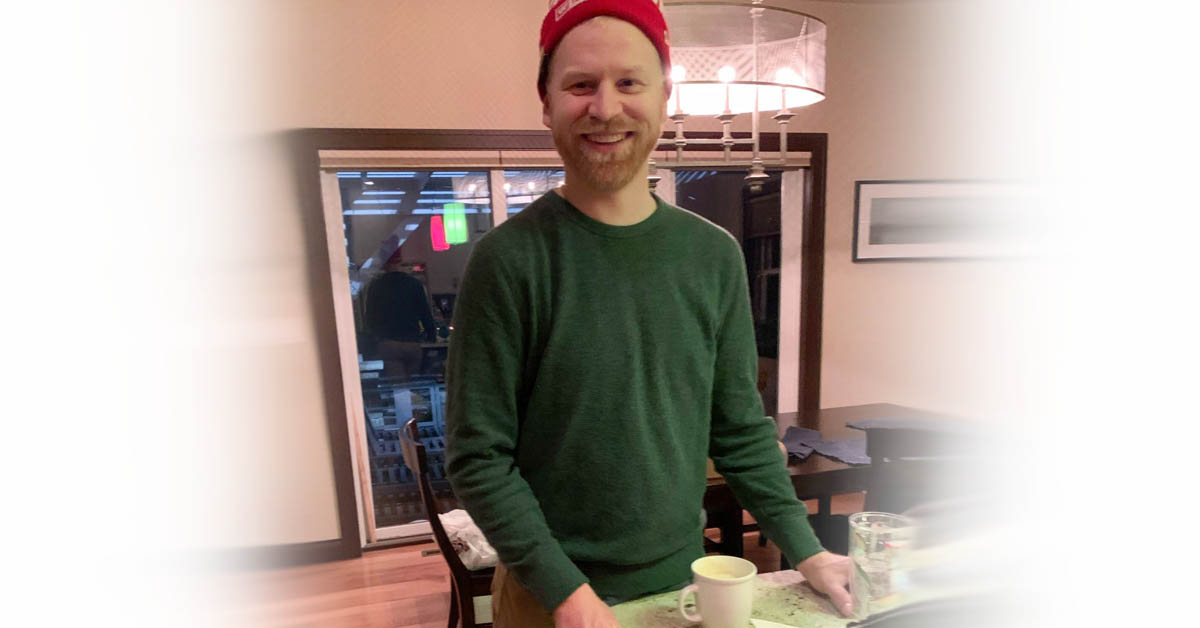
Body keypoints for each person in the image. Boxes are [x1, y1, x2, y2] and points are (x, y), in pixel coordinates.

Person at [445, 1, 851, 626]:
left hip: (682, 586)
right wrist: (567, 593)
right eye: (581, 84)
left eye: (628, 82)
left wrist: (809, 552)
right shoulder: (507, 260)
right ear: (546, 101)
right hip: (547, 597)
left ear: (664, 95)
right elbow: (478, 458)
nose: (605, 108)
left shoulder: (713, 255)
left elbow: (740, 431)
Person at [362, 248, 437, 379]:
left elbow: (370, 317)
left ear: (384, 263)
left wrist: (375, 337)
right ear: (400, 262)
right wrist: (431, 335)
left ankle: (404, 399)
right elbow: (425, 313)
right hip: (412, 343)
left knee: (399, 389)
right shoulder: (414, 284)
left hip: (389, 343)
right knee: (415, 387)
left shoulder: (376, 286)